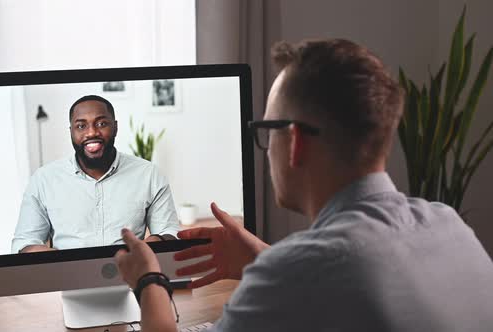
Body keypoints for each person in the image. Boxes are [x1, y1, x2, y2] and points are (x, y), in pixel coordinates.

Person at [115, 39, 493, 331]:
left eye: (266, 131)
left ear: (294, 142)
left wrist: (149, 279)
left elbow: (317, 273)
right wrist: (263, 258)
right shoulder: (450, 225)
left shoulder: (299, 272)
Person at [12, 95, 178, 253]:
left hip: (132, 275)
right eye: (81, 126)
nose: (91, 133)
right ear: (71, 131)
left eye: (101, 124)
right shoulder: (43, 179)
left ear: (115, 127)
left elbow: (169, 232)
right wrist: (52, 261)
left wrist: (154, 244)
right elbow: (25, 242)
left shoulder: (149, 174)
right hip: (67, 277)